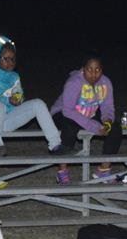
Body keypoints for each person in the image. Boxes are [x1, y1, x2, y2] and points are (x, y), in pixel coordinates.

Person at [0, 35, 62, 157]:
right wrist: (7, 100)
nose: (10, 62)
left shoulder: (14, 77)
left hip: (5, 121)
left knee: (38, 103)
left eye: (12, 59)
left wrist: (18, 100)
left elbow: (18, 95)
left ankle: (56, 143)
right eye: (5, 59)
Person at [50, 52, 122, 184]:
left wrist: (107, 122)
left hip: (88, 113)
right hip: (62, 114)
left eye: (97, 69)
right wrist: (94, 126)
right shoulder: (74, 82)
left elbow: (108, 107)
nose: (93, 73)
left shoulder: (106, 83)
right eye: (89, 69)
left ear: (102, 70)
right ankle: (62, 171)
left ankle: (103, 170)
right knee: (69, 127)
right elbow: (68, 110)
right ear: (83, 69)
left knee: (116, 129)